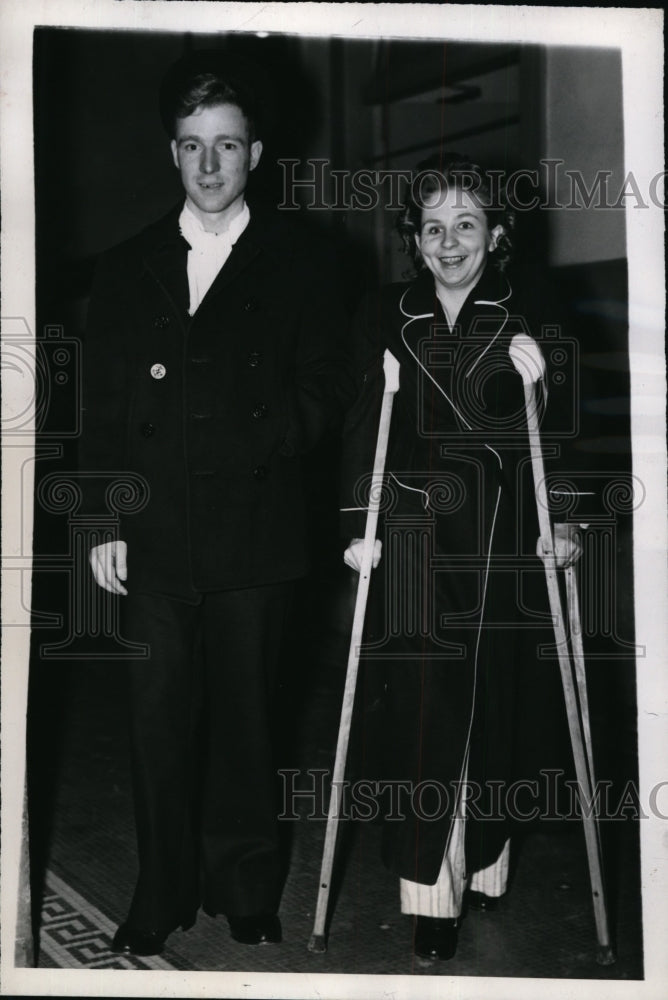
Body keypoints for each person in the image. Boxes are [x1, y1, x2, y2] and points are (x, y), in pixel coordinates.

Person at [80, 51, 352, 956]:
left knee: (247, 721)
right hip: (150, 535)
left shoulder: (309, 263)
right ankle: (159, 893)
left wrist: (256, 432)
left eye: (226, 146)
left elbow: (325, 394)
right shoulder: (122, 269)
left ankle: (245, 885)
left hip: (257, 532)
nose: (209, 166)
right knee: (156, 725)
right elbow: (99, 408)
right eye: (193, 146)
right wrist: (102, 517)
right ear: (171, 153)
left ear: (257, 154)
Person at [340, 155, 580, 961]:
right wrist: (357, 524)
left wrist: (542, 402)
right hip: (412, 538)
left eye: (467, 225)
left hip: (503, 534)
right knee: (421, 711)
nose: (449, 243)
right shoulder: (382, 312)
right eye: (432, 227)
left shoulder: (534, 307)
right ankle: (428, 894)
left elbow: (565, 433)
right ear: (414, 238)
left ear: (498, 234)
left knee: (496, 705)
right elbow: (358, 428)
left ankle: (485, 866)